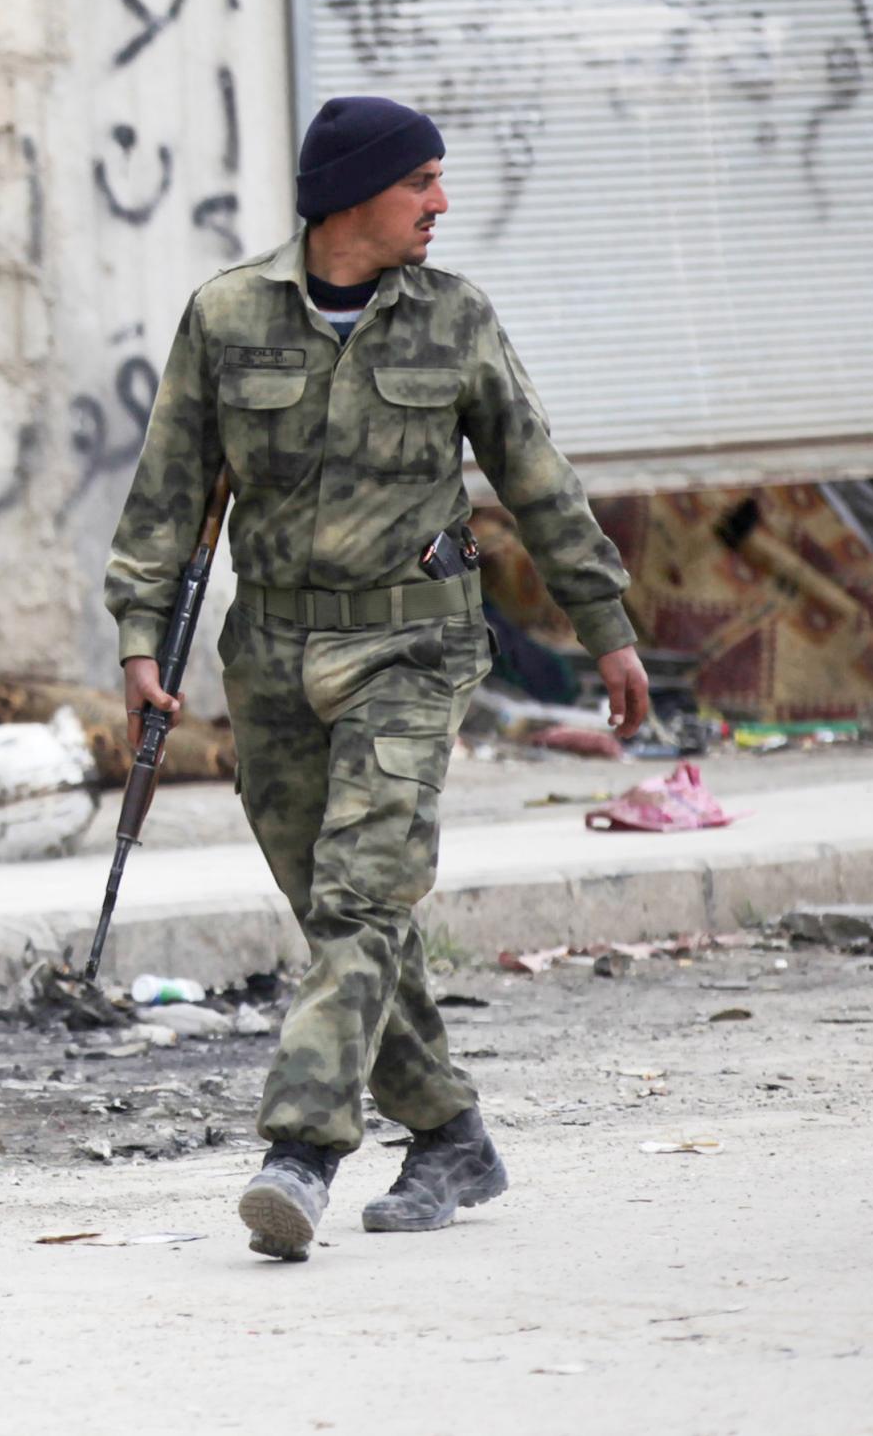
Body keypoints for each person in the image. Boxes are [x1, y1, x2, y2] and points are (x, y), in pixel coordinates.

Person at [102, 95, 649, 1262]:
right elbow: (165, 495)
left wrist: (606, 627)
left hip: (415, 648)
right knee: (341, 918)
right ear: (355, 195)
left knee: (360, 898)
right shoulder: (226, 315)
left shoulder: (454, 320)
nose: (440, 204)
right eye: (423, 184)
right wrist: (141, 647)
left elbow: (535, 475)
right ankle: (451, 1131)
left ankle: (300, 1150)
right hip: (272, 657)